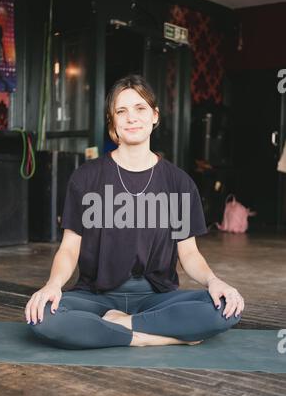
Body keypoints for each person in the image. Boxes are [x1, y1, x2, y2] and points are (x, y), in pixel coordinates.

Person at [25, 74, 244, 349]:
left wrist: (214, 281)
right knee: (42, 317)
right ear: (112, 122)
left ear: (154, 116)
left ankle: (120, 326)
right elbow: (70, 248)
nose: (131, 118)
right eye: (121, 111)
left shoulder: (178, 182)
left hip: (156, 297)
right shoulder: (85, 178)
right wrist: (53, 285)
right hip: (96, 296)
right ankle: (146, 337)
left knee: (226, 306)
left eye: (140, 109)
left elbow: (188, 253)